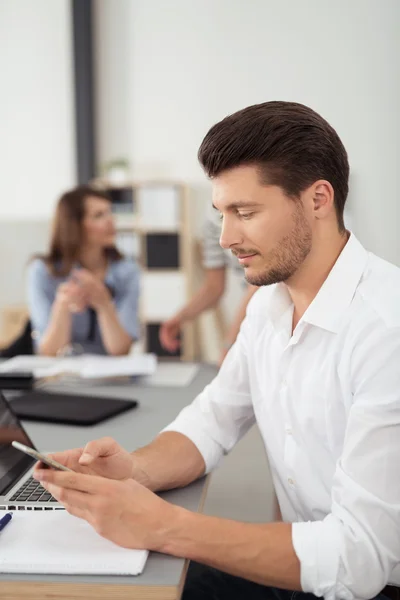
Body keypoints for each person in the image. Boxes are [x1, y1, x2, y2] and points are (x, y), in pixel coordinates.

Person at [33, 102, 400, 600]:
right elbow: (210, 423)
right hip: (308, 576)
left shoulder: (386, 329)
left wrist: (163, 525)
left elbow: (358, 561)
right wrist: (134, 471)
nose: (227, 238)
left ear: (318, 199)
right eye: (222, 213)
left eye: (245, 212)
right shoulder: (267, 309)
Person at [27, 185, 140, 356]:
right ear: (74, 225)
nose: (111, 220)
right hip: (62, 376)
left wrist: (103, 303)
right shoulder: (42, 272)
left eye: (110, 212)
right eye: (99, 215)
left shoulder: (128, 272)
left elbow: (121, 350)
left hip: (111, 377)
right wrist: (63, 305)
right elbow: (49, 351)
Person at [159, 208, 257, 365]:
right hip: (254, 318)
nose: (225, 242)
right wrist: (181, 317)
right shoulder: (211, 218)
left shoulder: (254, 206)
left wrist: (230, 344)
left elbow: (259, 285)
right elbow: (214, 287)